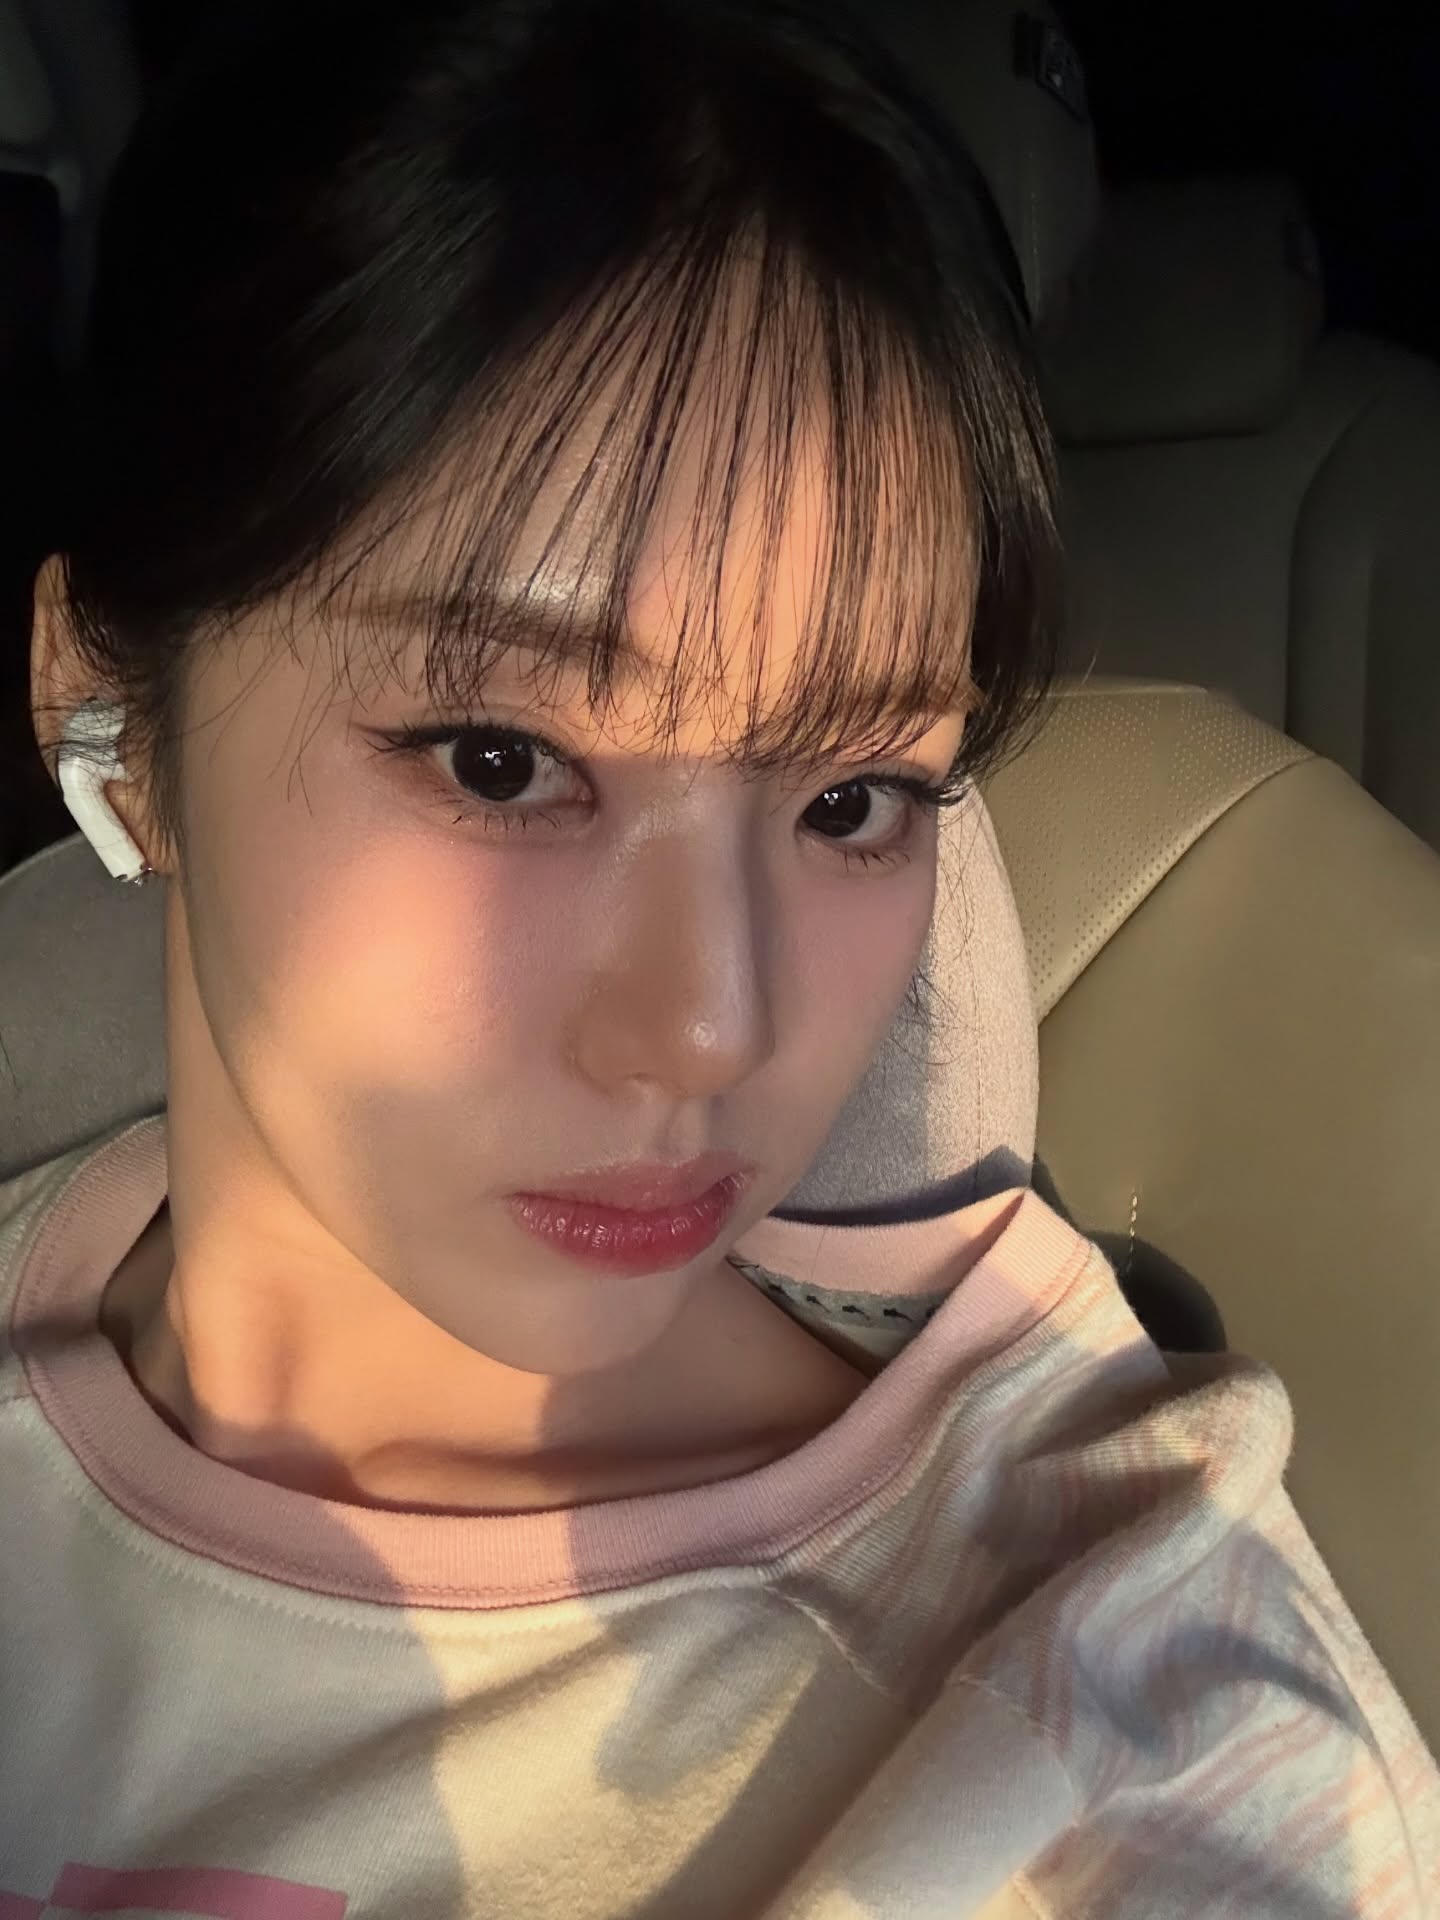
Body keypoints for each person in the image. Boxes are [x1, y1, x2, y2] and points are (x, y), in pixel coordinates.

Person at [2, 0, 1436, 1911]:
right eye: (503, 760)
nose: (708, 1026)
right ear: (108, 716)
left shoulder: (1121, 1708)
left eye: (854, 798)